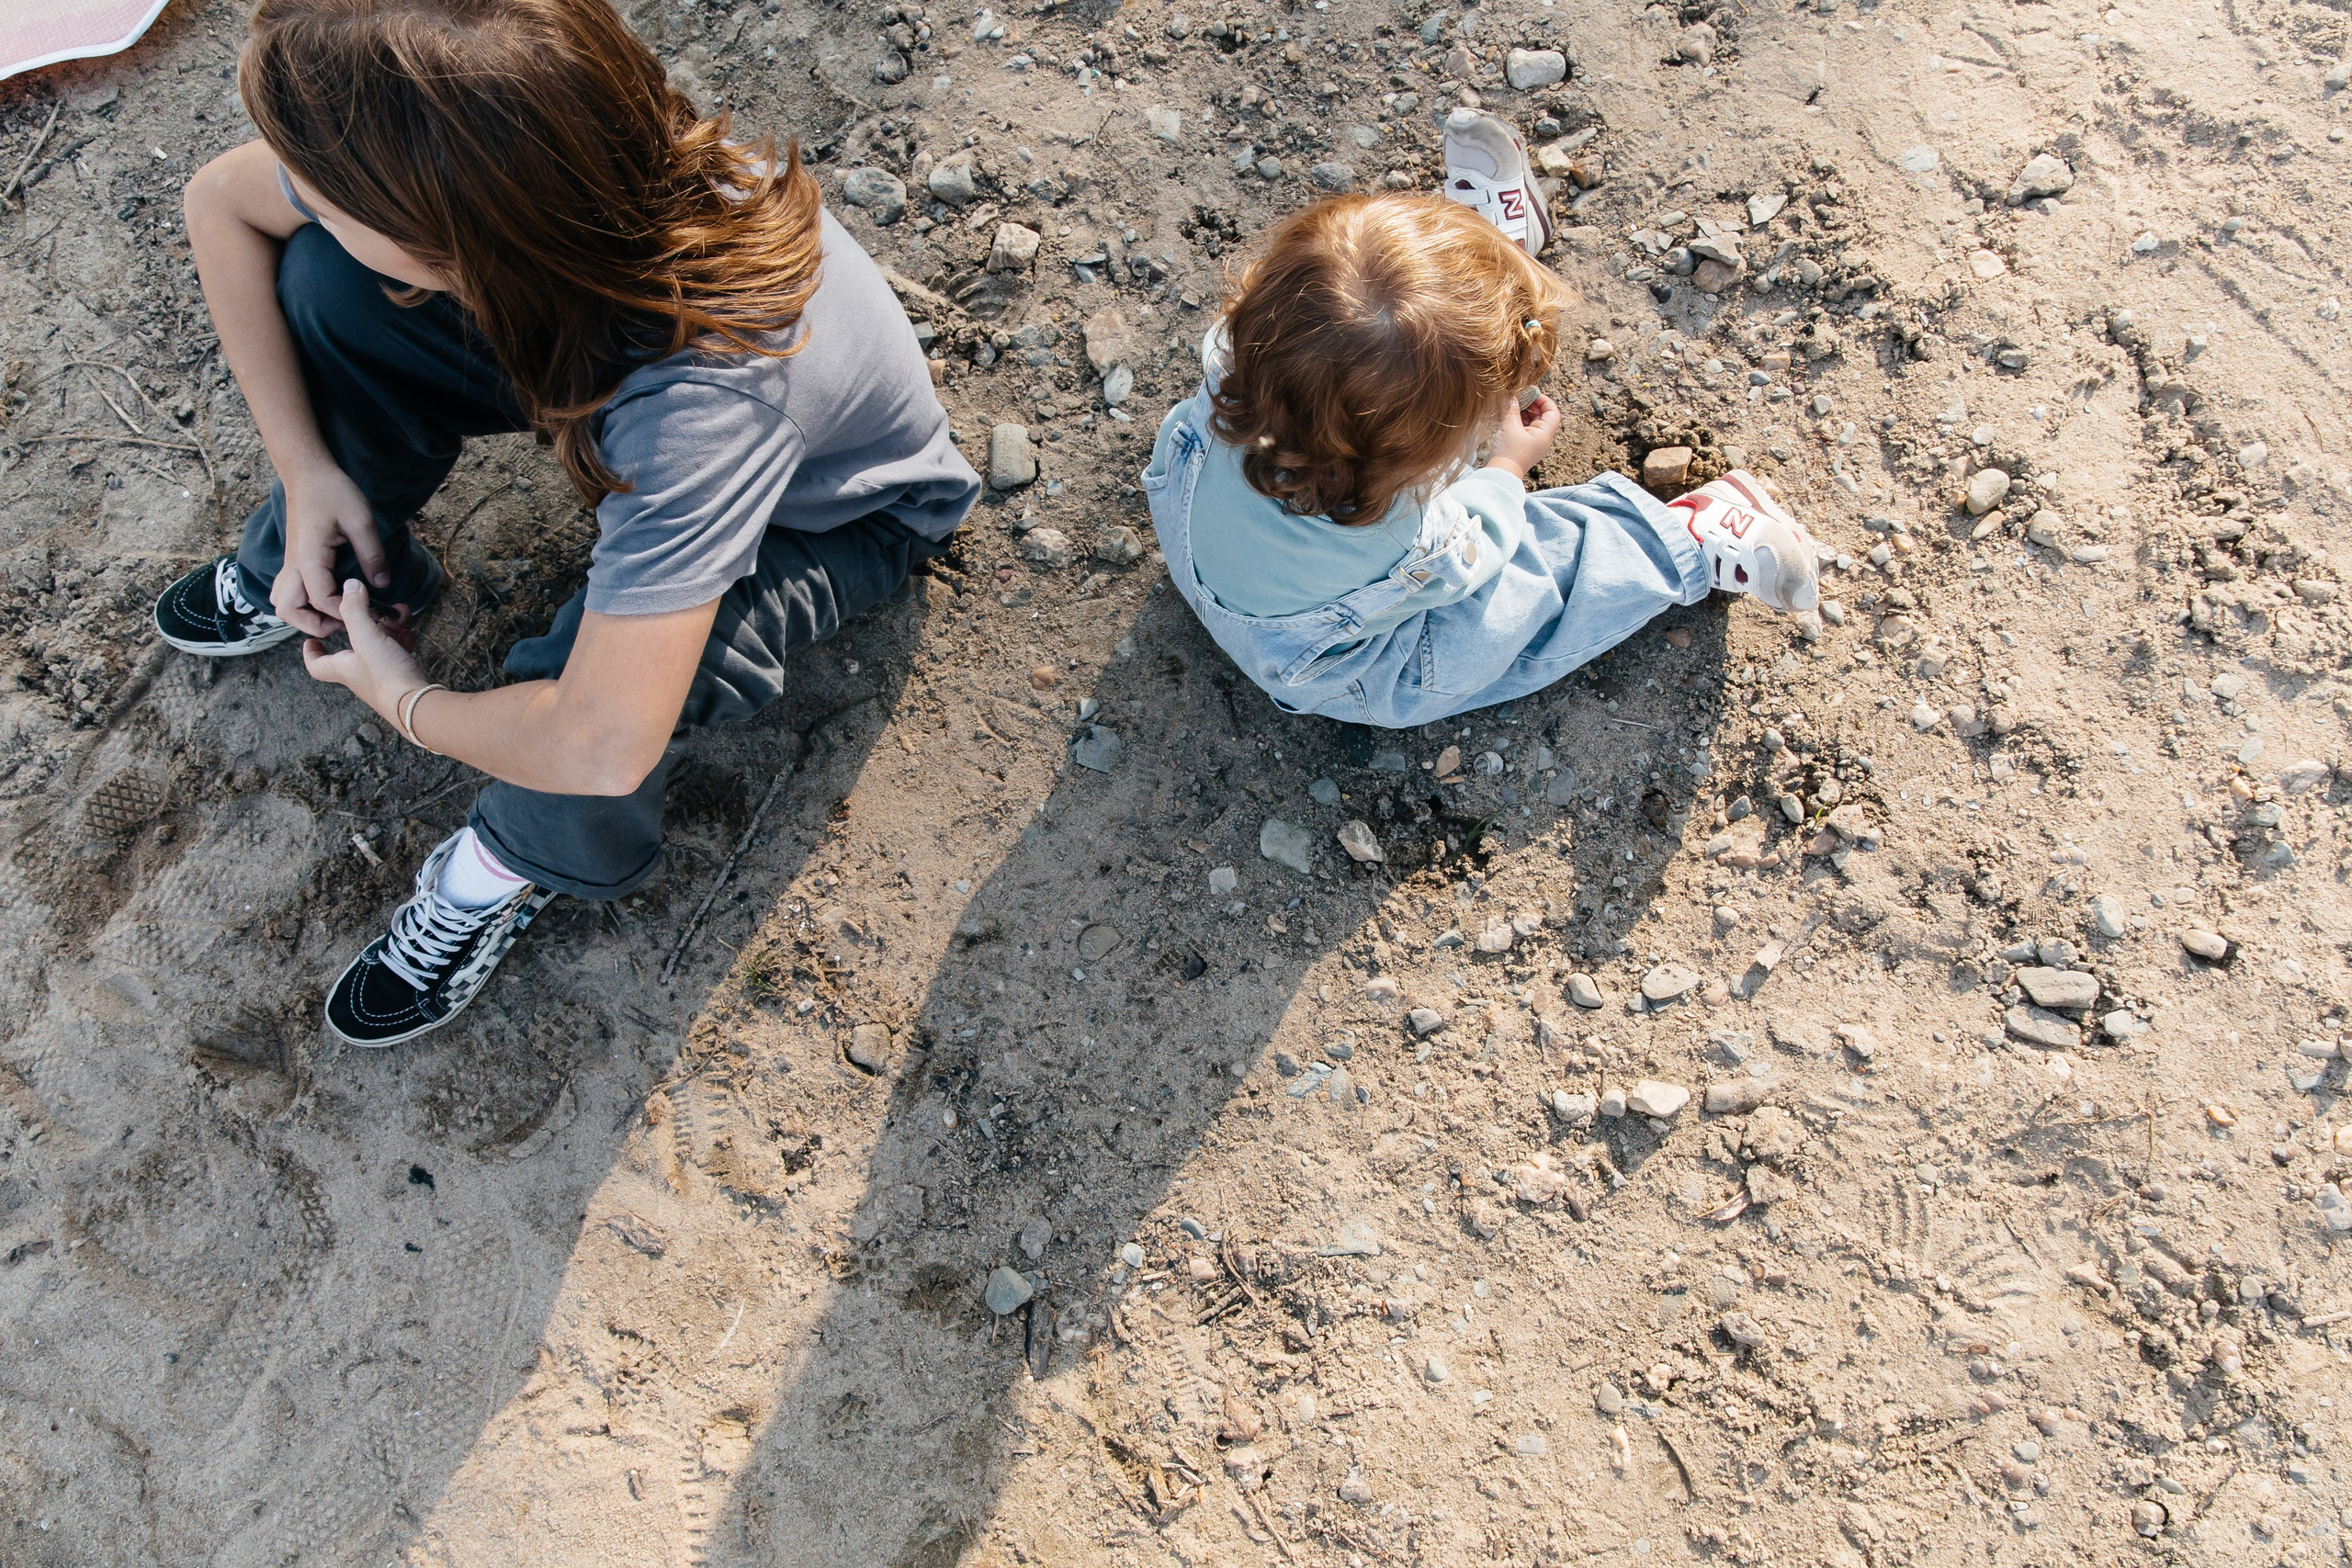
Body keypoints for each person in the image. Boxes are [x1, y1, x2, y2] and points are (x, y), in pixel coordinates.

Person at [153, 0, 979, 1046]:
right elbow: (219, 206)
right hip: (574, 325)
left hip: (833, 516)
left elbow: (599, 742)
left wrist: (408, 701)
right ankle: (333, 544)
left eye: (312, 181)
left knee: (600, 681)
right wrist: (306, 467)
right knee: (327, 279)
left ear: (439, 238)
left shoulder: (707, 413)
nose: (281, 179)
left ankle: (509, 863)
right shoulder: (538, 165)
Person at [1142, 111, 1819, 731]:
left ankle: (1478, 266)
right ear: (1423, 460)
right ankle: (1676, 538)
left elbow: (1349, 333)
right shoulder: (1407, 537)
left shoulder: (1237, 355)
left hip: (1193, 550)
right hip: (1314, 658)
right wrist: (1505, 466)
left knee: (1371, 355)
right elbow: (1480, 545)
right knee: (1510, 604)